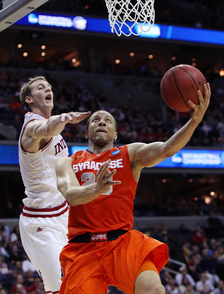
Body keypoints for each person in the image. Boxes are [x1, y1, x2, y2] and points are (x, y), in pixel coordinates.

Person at [56, 83, 210, 294]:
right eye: (96, 120)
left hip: (122, 243)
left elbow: (165, 149)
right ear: (86, 133)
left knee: (154, 290)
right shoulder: (67, 162)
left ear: (115, 134)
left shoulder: (130, 154)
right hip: (83, 248)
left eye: (107, 120)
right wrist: (97, 189)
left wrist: (194, 122)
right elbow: (72, 196)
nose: (102, 122)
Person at [18, 76, 91, 293]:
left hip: (64, 215)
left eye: (49, 87)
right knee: (60, 289)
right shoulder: (31, 128)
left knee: (84, 283)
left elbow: (62, 171)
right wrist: (64, 118)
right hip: (41, 223)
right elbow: (47, 128)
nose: (48, 90)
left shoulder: (56, 131)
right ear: (30, 99)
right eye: (41, 88)